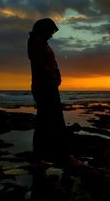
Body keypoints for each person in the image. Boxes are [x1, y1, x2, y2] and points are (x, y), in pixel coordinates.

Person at [28, 18, 80, 167]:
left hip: (46, 86)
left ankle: (39, 158)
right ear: (43, 30)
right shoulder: (36, 42)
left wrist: (55, 76)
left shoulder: (40, 42)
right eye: (50, 31)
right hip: (45, 88)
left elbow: (48, 64)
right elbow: (41, 65)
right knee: (56, 123)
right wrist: (53, 77)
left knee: (44, 123)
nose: (52, 35)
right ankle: (65, 157)